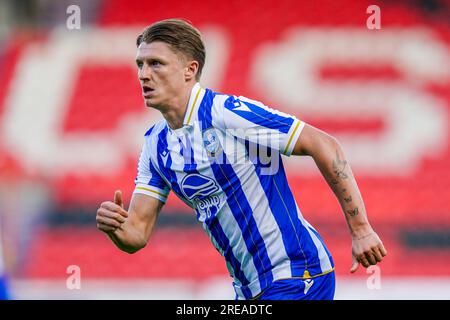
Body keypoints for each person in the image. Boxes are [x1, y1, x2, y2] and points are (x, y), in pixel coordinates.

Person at [96, 18, 387, 300]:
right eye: (140, 64)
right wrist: (116, 229)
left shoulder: (226, 113)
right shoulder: (154, 145)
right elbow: (137, 232)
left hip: (298, 274)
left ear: (189, 70)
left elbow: (324, 144)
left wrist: (361, 229)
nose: (143, 74)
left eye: (155, 63)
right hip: (249, 290)